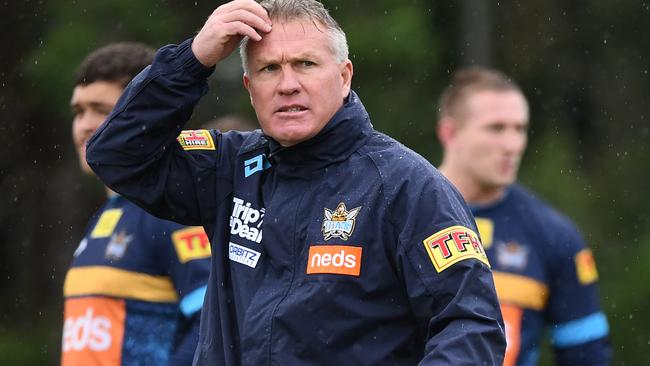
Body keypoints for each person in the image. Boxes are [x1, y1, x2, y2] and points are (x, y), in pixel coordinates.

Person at [86, 1, 506, 364]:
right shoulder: (230, 167)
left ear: (344, 77)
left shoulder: (408, 186)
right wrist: (193, 60)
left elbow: (471, 323)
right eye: (270, 69)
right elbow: (115, 154)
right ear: (250, 89)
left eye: (305, 64)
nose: (288, 84)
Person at [436, 67, 612, 365]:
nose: (512, 145)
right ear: (450, 133)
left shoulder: (554, 235)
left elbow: (587, 356)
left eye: (519, 129)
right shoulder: (398, 212)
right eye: (496, 128)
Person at [63, 43, 211, 366]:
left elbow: (211, 326)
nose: (84, 125)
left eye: (101, 110)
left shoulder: (171, 213)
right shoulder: (107, 214)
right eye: (79, 111)